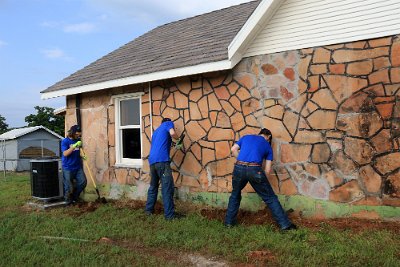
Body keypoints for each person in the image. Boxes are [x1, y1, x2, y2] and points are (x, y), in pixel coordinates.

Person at [225, 128, 297, 230]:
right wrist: (262, 180)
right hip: (255, 169)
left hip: (238, 167)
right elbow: (267, 170)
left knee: (235, 194)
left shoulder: (245, 137)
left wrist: (242, 161)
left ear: (260, 134)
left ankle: (229, 223)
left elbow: (233, 149)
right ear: (268, 137)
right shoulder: (267, 145)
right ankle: (285, 225)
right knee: (270, 198)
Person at [145, 118, 183, 220]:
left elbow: (162, 147)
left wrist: (175, 145)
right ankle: (169, 216)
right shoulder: (167, 123)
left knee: (153, 187)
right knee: (167, 188)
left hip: (152, 162)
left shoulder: (156, 132)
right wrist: (179, 139)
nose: (172, 127)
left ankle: (148, 210)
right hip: (162, 162)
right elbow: (172, 133)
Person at [61, 125, 87, 205]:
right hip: (67, 167)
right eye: (77, 133)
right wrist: (74, 146)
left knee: (83, 182)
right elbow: (65, 154)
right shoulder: (65, 141)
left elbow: (77, 152)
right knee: (69, 186)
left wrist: (82, 156)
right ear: (72, 133)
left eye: (79, 133)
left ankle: (75, 197)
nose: (79, 135)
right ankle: (67, 202)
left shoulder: (78, 140)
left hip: (77, 166)